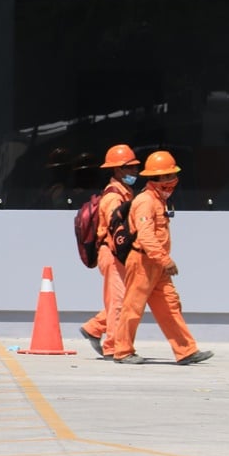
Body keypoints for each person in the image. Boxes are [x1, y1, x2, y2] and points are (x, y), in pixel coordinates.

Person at [110, 150, 214, 366]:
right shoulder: (146, 201)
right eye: (165, 177)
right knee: (133, 307)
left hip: (156, 264)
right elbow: (146, 236)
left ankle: (186, 350)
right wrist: (165, 260)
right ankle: (122, 351)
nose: (171, 180)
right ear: (154, 179)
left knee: (170, 305)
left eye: (172, 175)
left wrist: (162, 261)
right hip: (142, 262)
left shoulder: (160, 200)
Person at [79, 144, 140, 360]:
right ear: (117, 170)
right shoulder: (114, 197)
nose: (135, 172)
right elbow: (117, 230)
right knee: (120, 302)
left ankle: (94, 328)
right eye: (130, 168)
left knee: (123, 299)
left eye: (134, 167)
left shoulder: (125, 192)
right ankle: (113, 347)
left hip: (117, 253)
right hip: (114, 253)